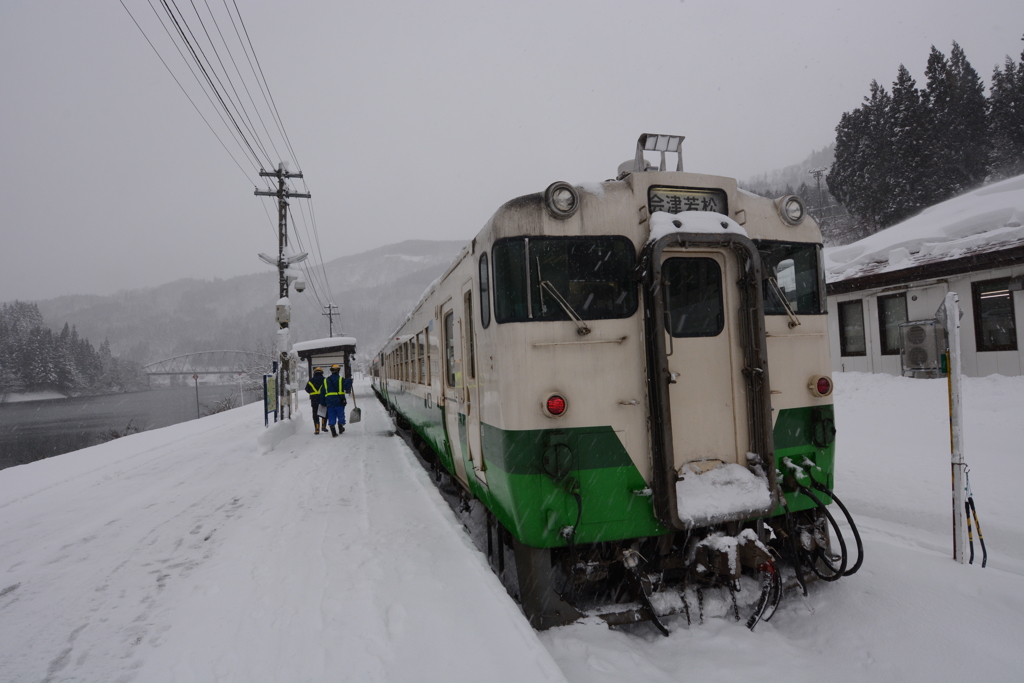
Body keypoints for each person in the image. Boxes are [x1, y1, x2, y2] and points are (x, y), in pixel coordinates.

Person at [323, 364, 347, 437]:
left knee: (331, 416)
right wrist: (350, 381)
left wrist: (322, 402)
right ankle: (340, 428)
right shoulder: (341, 379)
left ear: (331, 371)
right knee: (341, 415)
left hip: (329, 402)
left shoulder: (326, 380)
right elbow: (346, 387)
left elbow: (322, 392)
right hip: (339, 401)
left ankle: (333, 432)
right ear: (338, 371)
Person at [304, 367, 327, 434]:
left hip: (314, 399)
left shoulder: (310, 380)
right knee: (324, 412)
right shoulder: (325, 380)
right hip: (323, 399)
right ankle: (323, 426)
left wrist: (312, 393)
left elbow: (306, 389)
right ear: (322, 373)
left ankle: (317, 429)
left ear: (314, 373)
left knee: (315, 414)